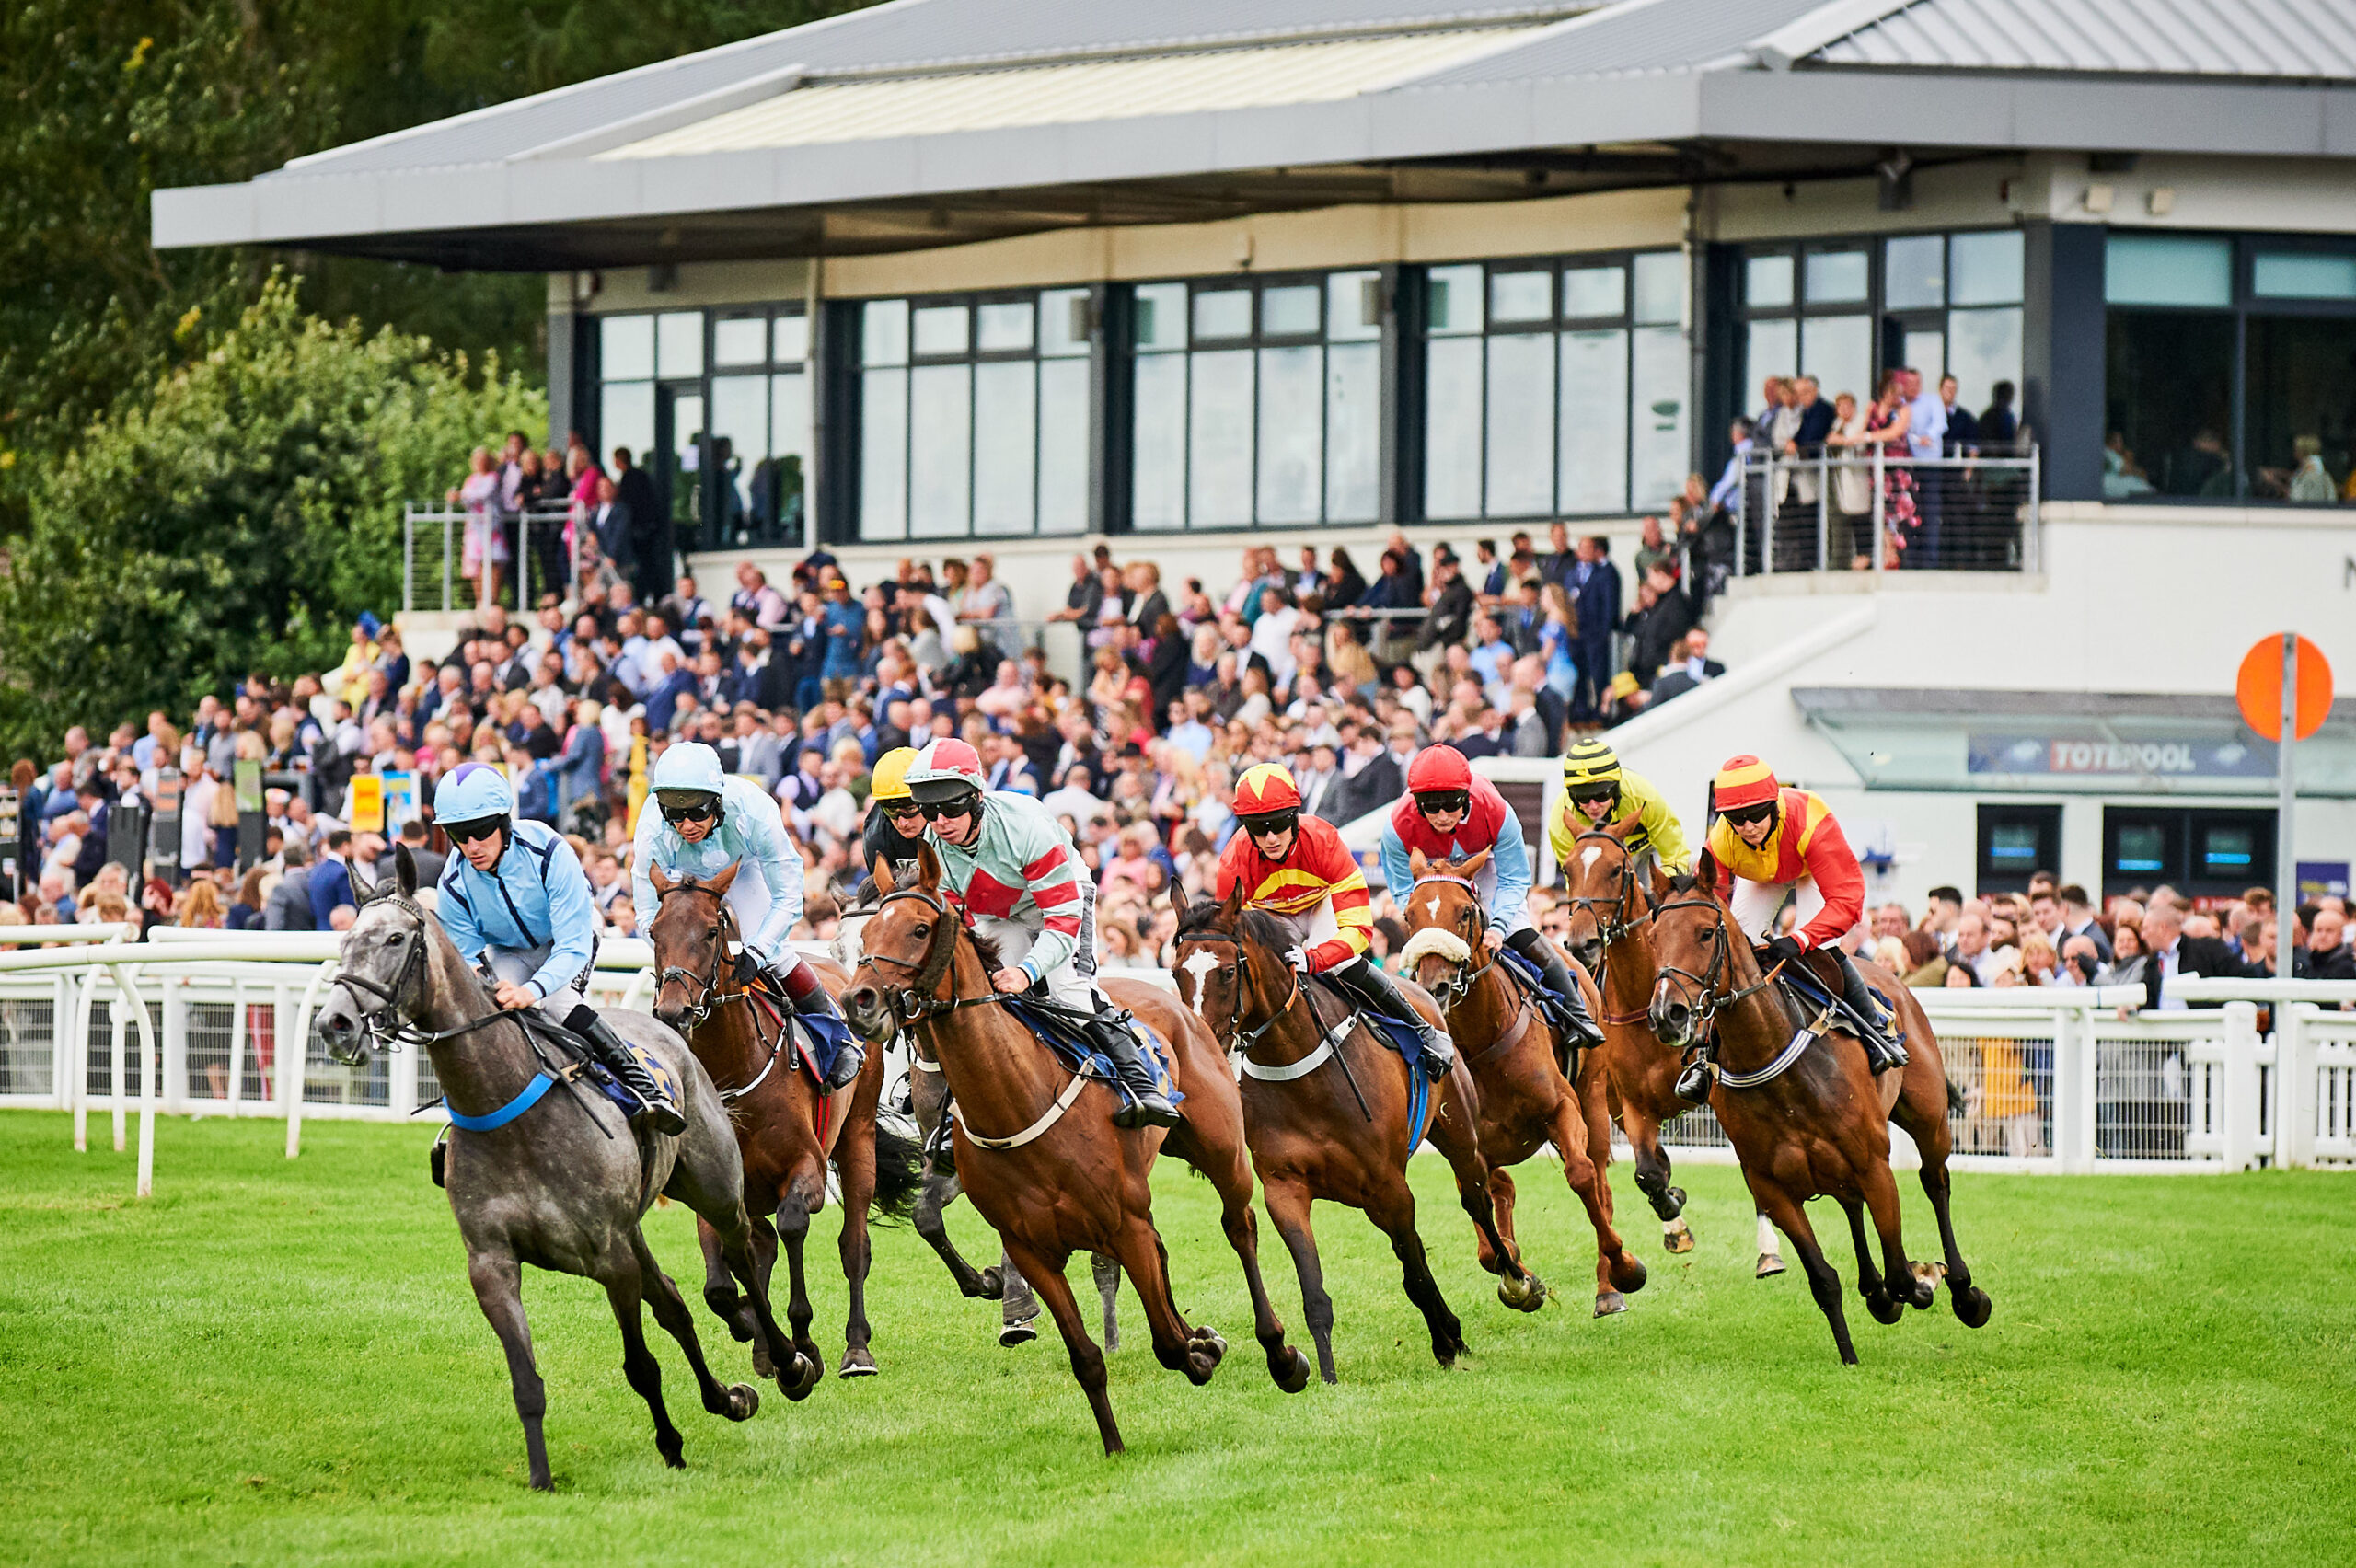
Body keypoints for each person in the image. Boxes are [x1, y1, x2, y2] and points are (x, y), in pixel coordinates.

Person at [902, 738, 1179, 1131]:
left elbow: (1063, 920)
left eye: (951, 807)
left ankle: (1142, 1083)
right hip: (1002, 914)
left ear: (976, 798)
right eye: (930, 811)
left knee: (1068, 990)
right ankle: (954, 1107)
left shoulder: (1024, 826)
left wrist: (1029, 971)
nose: (941, 821)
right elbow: (958, 920)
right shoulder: (932, 843)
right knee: (987, 996)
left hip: (1063, 898)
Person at [433, 762, 685, 1135]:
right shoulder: (452, 882)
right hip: (510, 951)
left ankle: (641, 1087)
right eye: (458, 834)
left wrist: (531, 991)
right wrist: (487, 985)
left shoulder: (548, 849)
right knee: (487, 1012)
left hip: (572, 936)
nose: (471, 846)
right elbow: (469, 955)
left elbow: (570, 945)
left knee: (556, 1004)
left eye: (480, 831)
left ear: (504, 822)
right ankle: (471, 1121)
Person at [632, 742, 860, 1090]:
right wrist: (663, 942)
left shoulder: (754, 811)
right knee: (676, 953)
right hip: (680, 877)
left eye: (697, 812)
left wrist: (757, 951)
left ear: (718, 802)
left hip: (744, 868)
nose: (686, 824)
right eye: (675, 815)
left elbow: (787, 896)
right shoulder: (652, 826)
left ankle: (836, 1040)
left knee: (774, 953)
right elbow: (647, 906)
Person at [1216, 761, 1453, 1077]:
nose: (1271, 837)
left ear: (1295, 818)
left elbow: (1357, 931)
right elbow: (1226, 940)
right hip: (1270, 916)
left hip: (1320, 906)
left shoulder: (1324, 841)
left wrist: (1314, 959)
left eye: (1278, 823)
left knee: (1340, 962)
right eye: (1258, 828)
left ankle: (1421, 1028)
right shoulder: (1233, 862)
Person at [1688, 755, 1904, 1098]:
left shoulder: (1810, 820)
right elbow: (1710, 906)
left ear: (1774, 804)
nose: (1746, 827)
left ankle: (1875, 1029)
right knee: (1735, 946)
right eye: (1735, 819)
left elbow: (1847, 901)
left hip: (1809, 867)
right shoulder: (1721, 840)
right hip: (1762, 875)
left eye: (1755, 815)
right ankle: (1706, 1056)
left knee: (1819, 947)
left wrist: (1800, 939)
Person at [1377, 745, 1600, 1044]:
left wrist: (1496, 928)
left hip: (1486, 864)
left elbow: (1514, 879)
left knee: (1517, 929)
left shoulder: (1497, 811)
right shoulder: (1395, 827)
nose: (1442, 816)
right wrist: (1428, 928)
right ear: (1416, 803)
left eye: (1451, 804)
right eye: (1431, 807)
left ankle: (1577, 1015)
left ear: (1466, 796)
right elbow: (1405, 890)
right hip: (1431, 876)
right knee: (1425, 948)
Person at [1547, 737, 1690, 882]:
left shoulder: (1642, 795)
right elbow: (1574, 878)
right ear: (1572, 796)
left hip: (1647, 852)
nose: (1593, 806)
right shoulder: (1560, 820)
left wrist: (1670, 890)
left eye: (1602, 795)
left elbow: (1674, 852)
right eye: (1583, 798)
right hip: (1599, 863)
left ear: (1615, 789)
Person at [860, 746, 926, 893]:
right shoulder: (875, 838)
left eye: (910, 810)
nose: (902, 823)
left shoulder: (951, 815)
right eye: (891, 811)